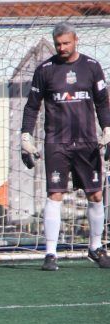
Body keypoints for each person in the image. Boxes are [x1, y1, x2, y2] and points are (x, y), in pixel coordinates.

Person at [20, 23, 110, 271]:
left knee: (95, 194)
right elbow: (31, 106)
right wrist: (25, 136)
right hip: (56, 142)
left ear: (75, 40)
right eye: (58, 44)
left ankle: (95, 248)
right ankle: (50, 253)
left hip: (86, 141)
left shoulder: (91, 67)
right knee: (55, 194)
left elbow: (103, 103)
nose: (62, 47)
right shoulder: (45, 70)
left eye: (66, 43)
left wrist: (108, 129)